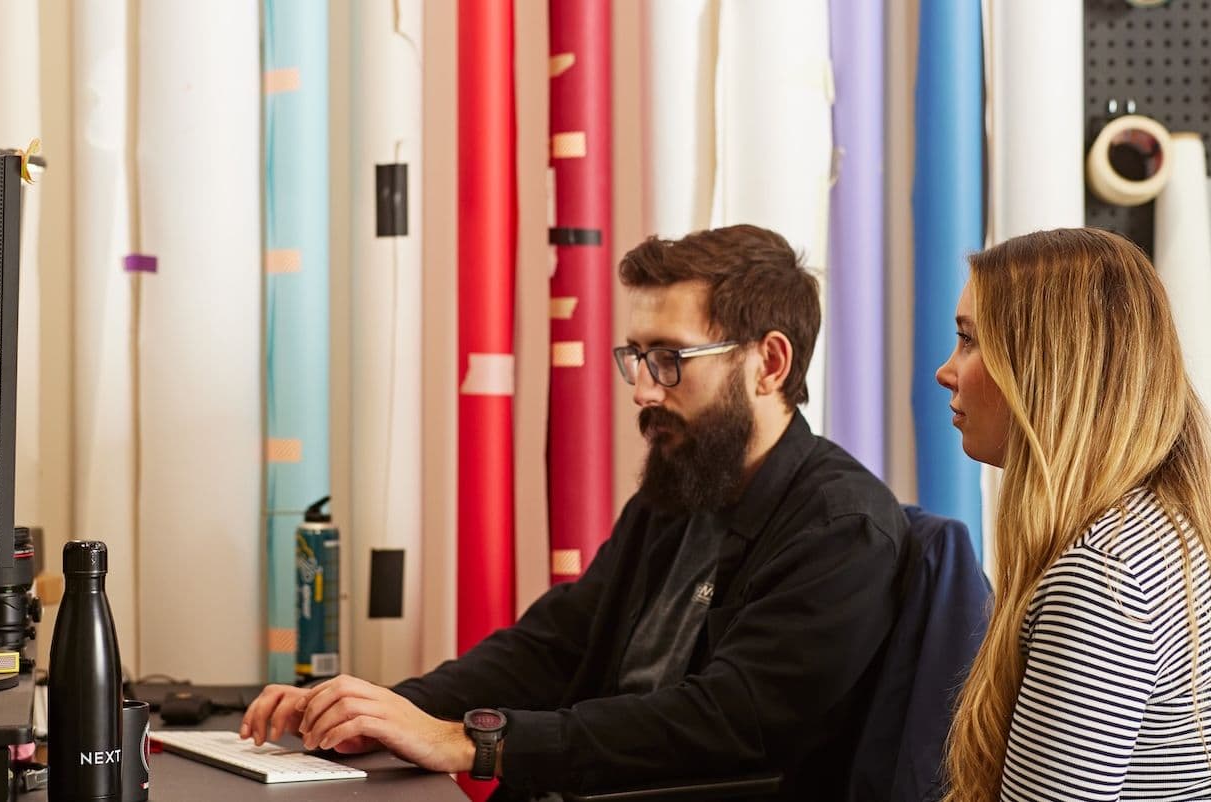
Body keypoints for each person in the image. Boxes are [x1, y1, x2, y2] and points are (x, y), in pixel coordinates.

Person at [241, 224, 909, 800]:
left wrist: (472, 743)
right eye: (637, 358)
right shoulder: (681, 486)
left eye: (671, 359)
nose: (644, 390)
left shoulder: (840, 530)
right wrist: (387, 708)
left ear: (768, 362)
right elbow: (555, 645)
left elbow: (724, 722)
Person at [937, 227, 1211, 801]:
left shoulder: (1103, 579)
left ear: (1047, 365)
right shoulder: (1163, 529)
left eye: (969, 341)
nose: (947, 370)